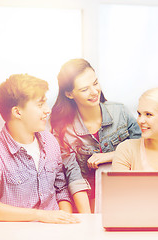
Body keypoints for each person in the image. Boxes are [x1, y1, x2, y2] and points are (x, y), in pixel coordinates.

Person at [0, 74, 78, 223]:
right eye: (40, 104)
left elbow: (61, 190)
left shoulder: (50, 141)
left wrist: (66, 222)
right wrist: (40, 216)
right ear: (17, 112)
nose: (47, 110)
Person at [50, 59, 141, 213]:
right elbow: (74, 177)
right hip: (89, 200)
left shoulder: (121, 112)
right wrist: (88, 219)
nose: (94, 92)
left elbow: (144, 148)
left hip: (128, 194)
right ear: (69, 94)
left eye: (95, 83)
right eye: (85, 89)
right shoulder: (63, 130)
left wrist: (112, 155)